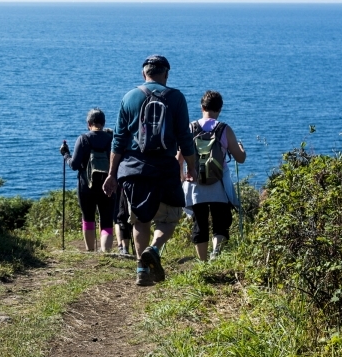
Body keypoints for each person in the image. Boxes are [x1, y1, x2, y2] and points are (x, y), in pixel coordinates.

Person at [103, 55, 197, 286]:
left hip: (133, 169)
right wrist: (192, 167)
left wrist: (111, 174)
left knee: (139, 221)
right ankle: (154, 249)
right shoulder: (176, 98)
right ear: (166, 74)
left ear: (144, 73)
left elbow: (118, 140)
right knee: (171, 217)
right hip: (165, 168)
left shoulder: (129, 97)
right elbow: (185, 138)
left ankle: (141, 270)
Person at [178, 91, 246, 261]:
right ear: (219, 109)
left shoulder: (190, 128)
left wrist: (181, 179)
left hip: (195, 183)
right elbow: (240, 158)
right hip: (219, 183)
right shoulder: (224, 129)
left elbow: (178, 159)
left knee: (199, 223)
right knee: (220, 222)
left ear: (202, 107)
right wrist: (241, 147)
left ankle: (202, 263)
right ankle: (215, 253)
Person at [60, 108, 115, 252]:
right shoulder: (111, 139)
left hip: (86, 186)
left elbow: (74, 165)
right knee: (107, 219)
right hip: (108, 185)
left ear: (89, 123)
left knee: (88, 218)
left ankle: (91, 252)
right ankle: (106, 252)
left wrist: (66, 154)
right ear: (104, 123)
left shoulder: (83, 139)